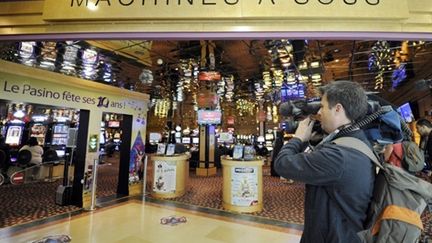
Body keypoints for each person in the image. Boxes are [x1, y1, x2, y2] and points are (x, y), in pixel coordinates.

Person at [274, 81, 375, 243]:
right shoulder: (357, 141)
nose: (319, 112)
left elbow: (282, 164)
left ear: (338, 109)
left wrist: (298, 138)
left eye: (322, 106)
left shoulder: (338, 156)